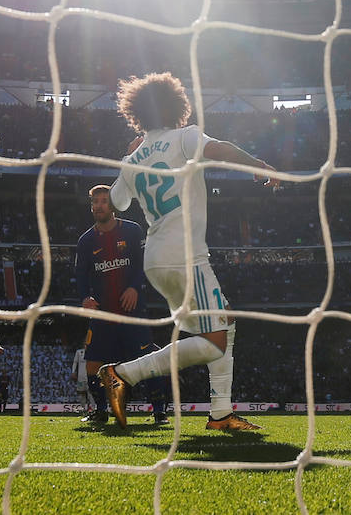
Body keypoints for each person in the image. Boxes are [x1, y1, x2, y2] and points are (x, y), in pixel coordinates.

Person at [98, 72, 279, 430]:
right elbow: (221, 150)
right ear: (175, 106)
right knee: (214, 341)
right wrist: (258, 166)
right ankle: (123, 374)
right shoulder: (185, 137)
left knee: (223, 321)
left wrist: (130, 156)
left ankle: (221, 413)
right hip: (185, 257)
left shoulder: (133, 156)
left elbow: (117, 201)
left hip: (157, 260)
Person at [76, 185, 168, 426]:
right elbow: (80, 276)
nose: (99, 206)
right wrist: (85, 297)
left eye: (104, 201)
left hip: (132, 312)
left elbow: (142, 264)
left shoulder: (132, 231)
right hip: (103, 313)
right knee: (93, 363)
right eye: (95, 202)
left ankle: (159, 411)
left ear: (113, 205)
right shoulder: (86, 241)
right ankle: (101, 410)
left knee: (148, 359)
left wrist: (134, 288)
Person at [69, 342, 94, 416]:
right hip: (81, 376)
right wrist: (73, 372)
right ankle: (83, 408)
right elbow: (75, 362)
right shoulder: (79, 352)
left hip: (89, 376)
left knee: (90, 393)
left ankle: (93, 409)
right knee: (81, 393)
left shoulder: (92, 352)